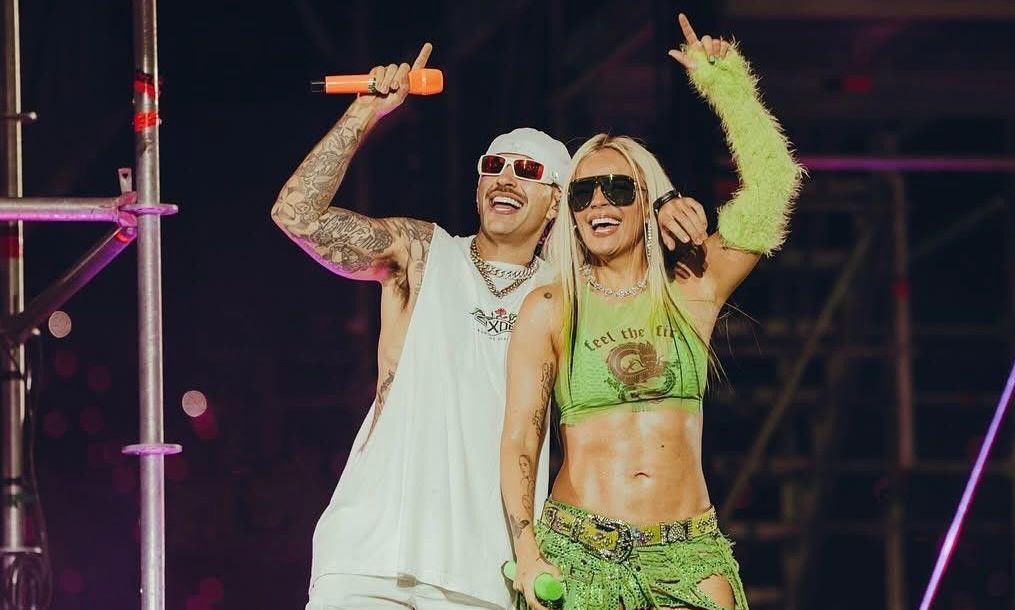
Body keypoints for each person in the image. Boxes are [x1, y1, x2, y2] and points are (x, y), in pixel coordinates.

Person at [271, 42, 711, 610]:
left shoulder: (572, 297)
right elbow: (296, 216)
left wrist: (664, 202)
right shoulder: (423, 255)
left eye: (527, 171)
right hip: (371, 551)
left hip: (486, 571)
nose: (505, 178)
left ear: (557, 203)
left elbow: (647, 257)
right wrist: (365, 111)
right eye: (493, 167)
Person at [500, 14, 804, 610]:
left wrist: (728, 88)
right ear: (572, 214)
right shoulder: (552, 306)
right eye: (584, 193)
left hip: (689, 554)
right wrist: (528, 552)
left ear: (648, 202)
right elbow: (520, 439)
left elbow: (773, 188)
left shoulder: (693, 285)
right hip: (580, 555)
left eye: (618, 189)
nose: (600, 203)